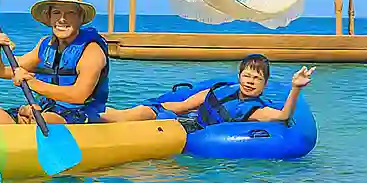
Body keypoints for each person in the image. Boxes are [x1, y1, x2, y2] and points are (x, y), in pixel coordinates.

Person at [0, 0, 110, 125]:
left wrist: (33, 83)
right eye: (57, 13)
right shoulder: (45, 46)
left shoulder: (91, 51)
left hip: (81, 114)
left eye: (70, 13)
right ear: (50, 17)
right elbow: (0, 71)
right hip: (48, 109)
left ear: (80, 18)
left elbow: (79, 95)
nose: (62, 19)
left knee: (39, 119)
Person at [104, 54, 315, 128]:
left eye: (257, 79)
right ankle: (96, 115)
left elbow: (283, 116)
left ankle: (98, 117)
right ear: (239, 76)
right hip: (186, 122)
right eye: (247, 76)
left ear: (264, 85)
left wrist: (295, 87)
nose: (251, 82)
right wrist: (155, 109)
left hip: (190, 132)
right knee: (146, 112)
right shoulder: (222, 91)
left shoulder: (256, 110)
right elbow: (183, 106)